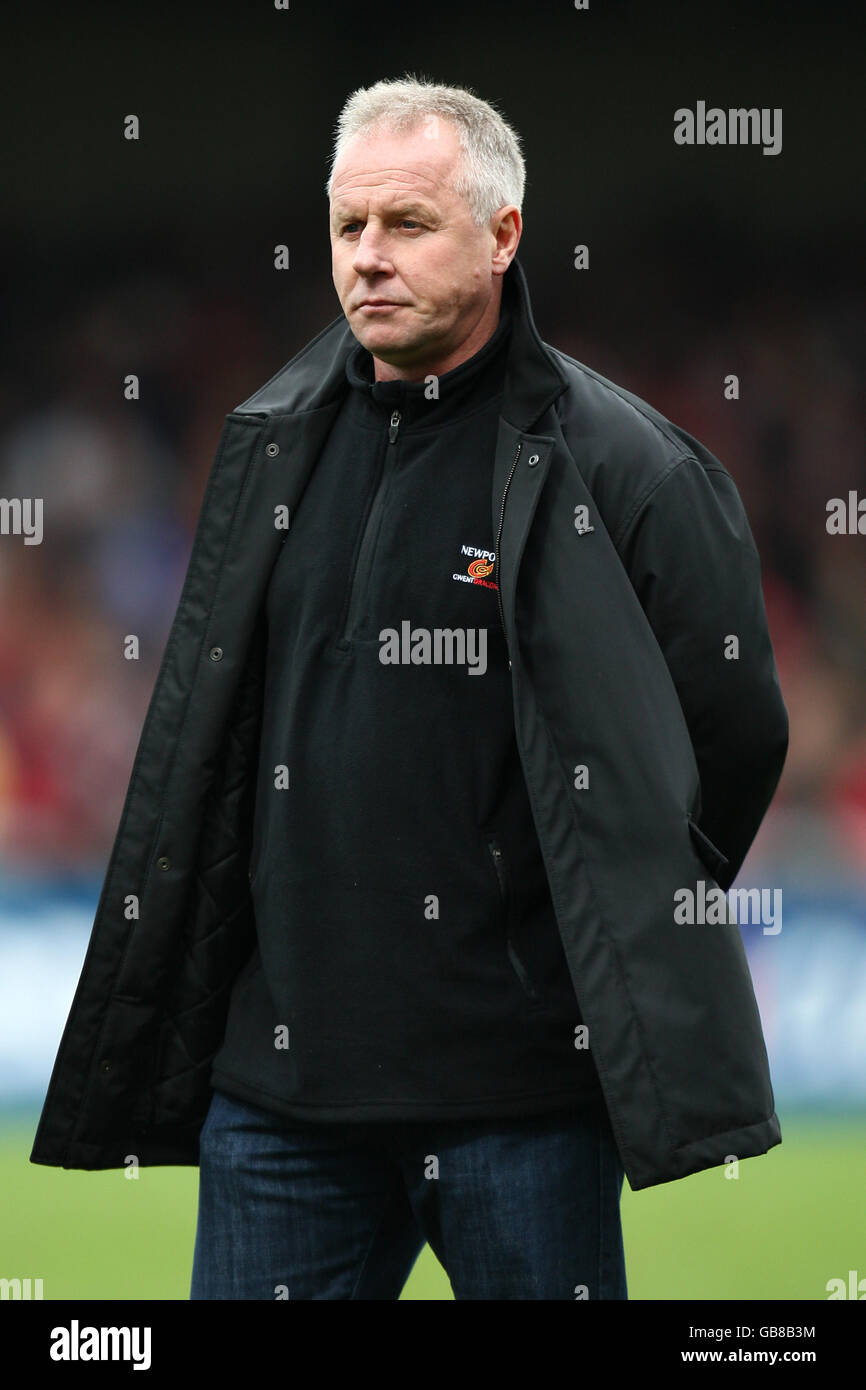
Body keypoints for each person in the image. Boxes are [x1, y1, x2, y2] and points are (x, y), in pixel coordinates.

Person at [30, 76, 788, 1301]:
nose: (368, 259)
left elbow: (735, 732)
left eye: (407, 225)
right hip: (279, 1107)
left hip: (523, 1098)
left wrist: (597, 936)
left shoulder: (629, 466)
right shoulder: (266, 436)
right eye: (347, 228)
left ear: (502, 235)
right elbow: (214, 740)